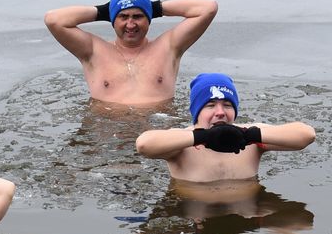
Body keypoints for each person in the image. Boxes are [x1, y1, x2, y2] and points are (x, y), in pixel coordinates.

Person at [44, 0, 218, 105]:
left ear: (149, 19)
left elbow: (208, 8)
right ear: (113, 19)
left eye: (138, 16)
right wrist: (106, 11)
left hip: (157, 133)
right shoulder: (93, 51)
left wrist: (154, 8)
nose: (131, 25)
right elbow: (54, 20)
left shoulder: (169, 47)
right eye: (123, 17)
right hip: (107, 131)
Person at [135, 73, 316, 182]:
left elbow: (306, 135)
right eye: (210, 105)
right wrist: (202, 137)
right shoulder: (182, 142)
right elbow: (144, 144)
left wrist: (249, 135)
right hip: (196, 216)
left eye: (227, 105)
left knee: (298, 230)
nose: (220, 112)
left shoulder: (250, 138)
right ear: (197, 112)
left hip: (246, 222)